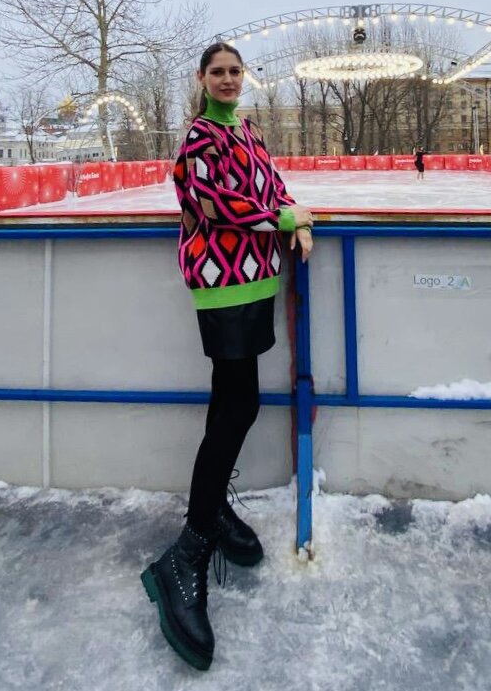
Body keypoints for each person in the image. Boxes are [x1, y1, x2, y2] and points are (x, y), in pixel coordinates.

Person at [141, 43, 313, 671]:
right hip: (221, 281)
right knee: (235, 405)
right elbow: (217, 205)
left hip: (258, 278)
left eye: (236, 71)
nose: (229, 79)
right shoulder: (198, 138)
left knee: (238, 401)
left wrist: (293, 217)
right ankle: (185, 551)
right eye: (218, 72)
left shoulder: (249, 129)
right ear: (201, 79)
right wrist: (287, 216)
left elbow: (270, 184)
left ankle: (211, 512)